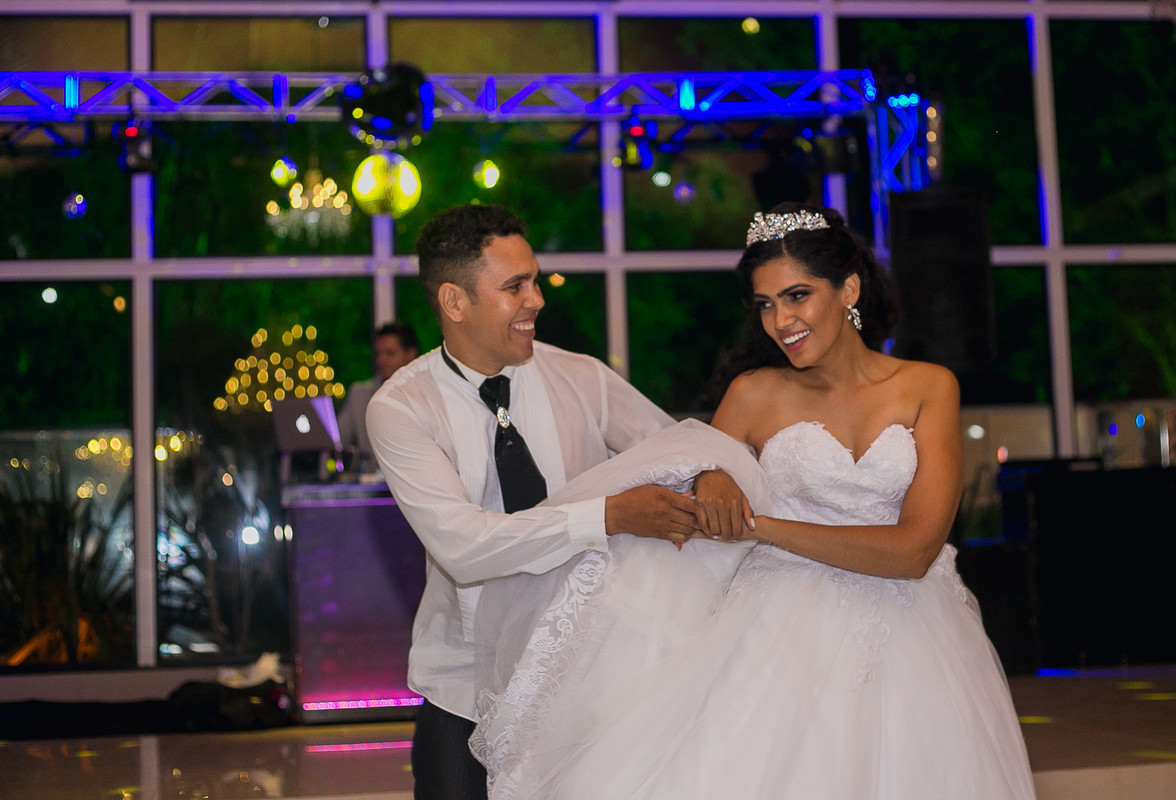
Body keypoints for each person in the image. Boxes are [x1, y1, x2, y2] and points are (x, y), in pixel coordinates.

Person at [469, 202, 1038, 799]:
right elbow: (698, 478)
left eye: (797, 296)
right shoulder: (753, 393)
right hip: (776, 634)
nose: (780, 320)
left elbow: (914, 551)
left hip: (916, 633)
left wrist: (761, 526)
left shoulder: (927, 386)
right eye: (765, 304)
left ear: (848, 290)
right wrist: (711, 474)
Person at [365, 203, 706, 800]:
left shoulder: (583, 377)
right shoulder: (402, 408)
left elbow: (677, 451)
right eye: (515, 287)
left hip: (589, 671)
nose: (537, 300)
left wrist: (713, 471)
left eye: (535, 281)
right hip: (464, 681)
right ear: (454, 302)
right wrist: (609, 515)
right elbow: (462, 546)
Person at [337, 321, 420, 473]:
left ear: (410, 354)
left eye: (390, 353)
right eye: (378, 354)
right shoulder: (359, 395)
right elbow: (336, 441)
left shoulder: (427, 395)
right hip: (372, 485)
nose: (380, 361)